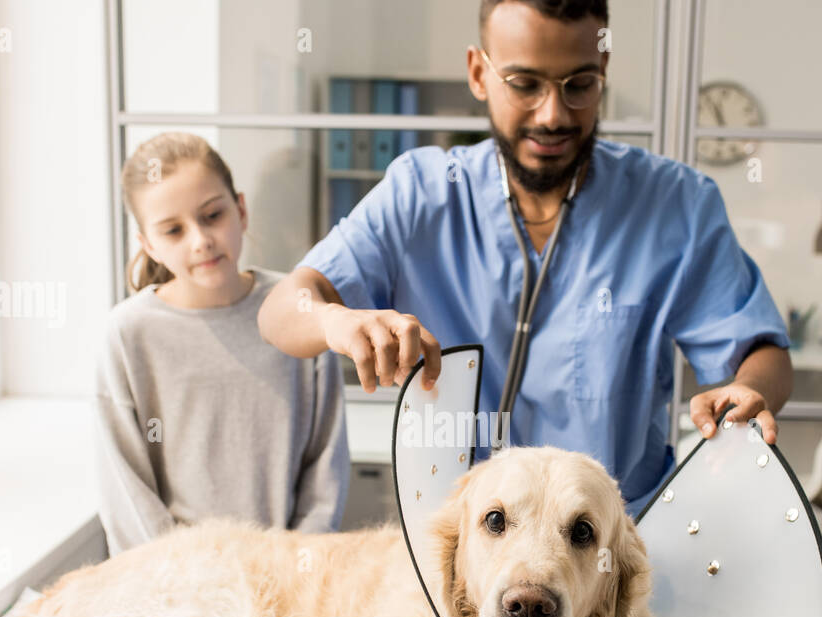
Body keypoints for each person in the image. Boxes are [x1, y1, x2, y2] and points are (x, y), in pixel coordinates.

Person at [258, 0, 793, 518]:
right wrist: (335, 318)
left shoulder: (675, 205)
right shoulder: (420, 195)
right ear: (478, 73)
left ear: (603, 69)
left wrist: (750, 391)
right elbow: (282, 309)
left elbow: (762, 352)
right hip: (460, 554)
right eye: (525, 84)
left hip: (612, 556)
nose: (553, 114)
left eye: (579, 84)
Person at [94, 132, 350, 556]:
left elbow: (326, 469)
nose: (200, 239)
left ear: (241, 209)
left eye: (212, 215)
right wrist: (184, 582)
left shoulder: (298, 309)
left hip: (289, 587)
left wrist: (294, 569)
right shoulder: (128, 334)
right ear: (148, 245)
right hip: (173, 592)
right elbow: (126, 489)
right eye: (173, 230)